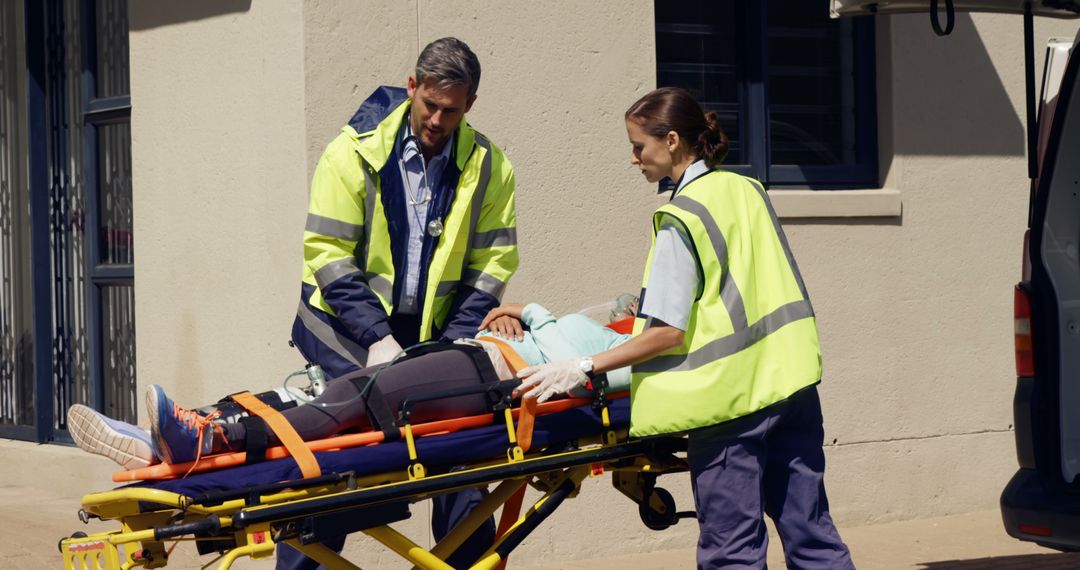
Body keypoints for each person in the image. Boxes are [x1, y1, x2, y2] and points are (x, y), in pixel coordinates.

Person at [503, 87, 854, 569]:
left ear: (671, 141)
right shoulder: (746, 189)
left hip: (730, 406)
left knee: (733, 553)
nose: (633, 159)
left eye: (637, 146)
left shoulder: (679, 217)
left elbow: (668, 334)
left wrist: (584, 366)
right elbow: (740, 283)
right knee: (813, 536)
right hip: (792, 387)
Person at [288, 36, 517, 569]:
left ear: (471, 105)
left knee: (460, 454)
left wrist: (452, 346)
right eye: (429, 104)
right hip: (344, 326)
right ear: (411, 86)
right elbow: (328, 254)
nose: (437, 119)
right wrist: (377, 338)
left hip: (433, 332)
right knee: (340, 459)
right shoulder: (351, 151)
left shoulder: (490, 167)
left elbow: (492, 266)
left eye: (451, 110)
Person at [68, 302, 634, 466]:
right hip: (481, 354)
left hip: (497, 377)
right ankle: (163, 435)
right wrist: (524, 312)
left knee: (352, 399)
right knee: (319, 394)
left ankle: (209, 439)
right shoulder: (614, 323)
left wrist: (570, 356)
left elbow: (589, 370)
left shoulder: (642, 352)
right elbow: (545, 321)